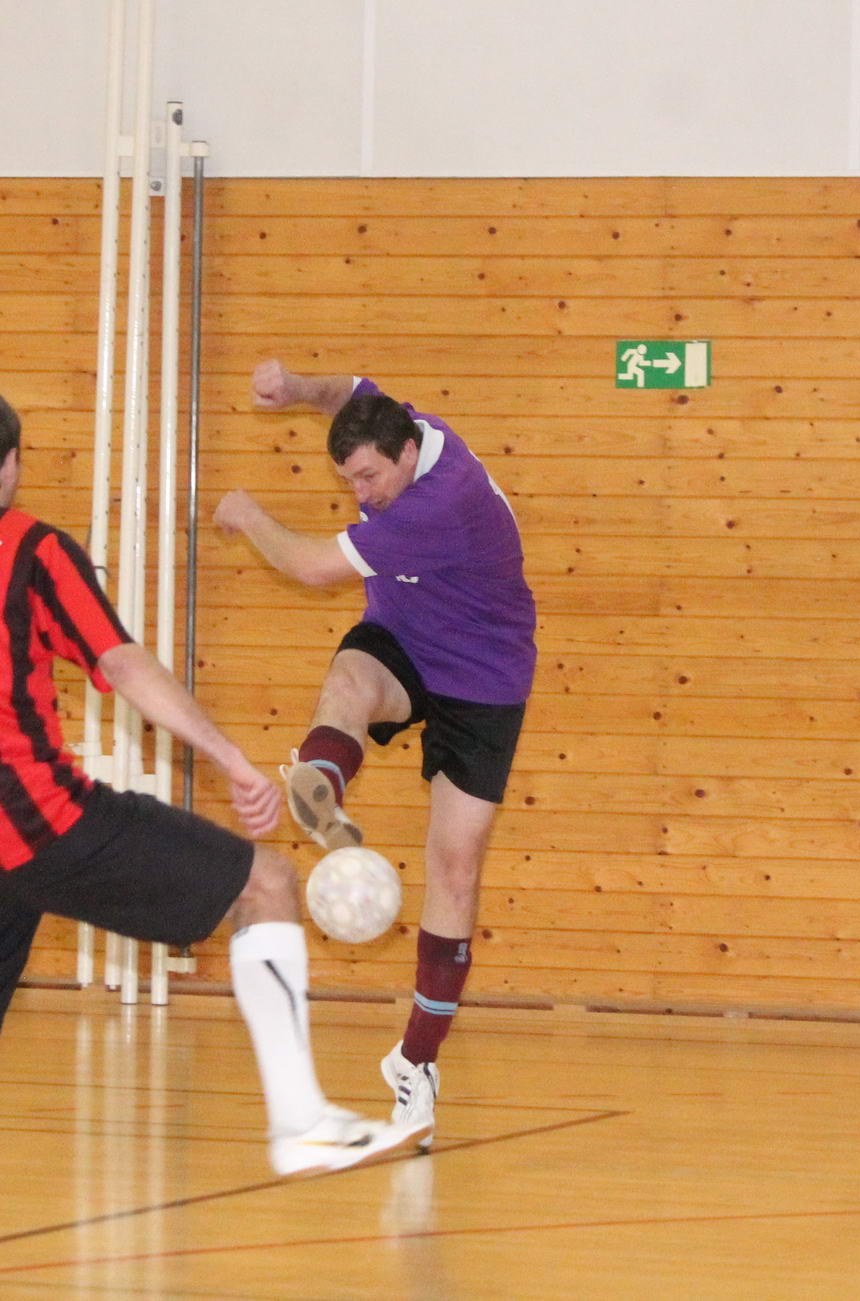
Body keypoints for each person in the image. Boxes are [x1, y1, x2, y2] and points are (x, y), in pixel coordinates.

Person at [0, 378, 426, 1301]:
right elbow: (119, 661)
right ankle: (299, 1117)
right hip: (29, 814)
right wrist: (228, 756)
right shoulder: (28, 545)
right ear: (8, 466)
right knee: (266, 883)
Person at [214, 359, 536, 1151]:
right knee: (349, 682)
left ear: (406, 455)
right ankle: (320, 784)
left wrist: (247, 513)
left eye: (368, 479)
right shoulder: (395, 426)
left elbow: (310, 565)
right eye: (349, 479)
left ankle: (416, 1061)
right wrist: (296, 387)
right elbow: (349, 390)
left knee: (454, 868)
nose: (361, 492)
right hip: (404, 637)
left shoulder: (441, 502)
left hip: (484, 674)